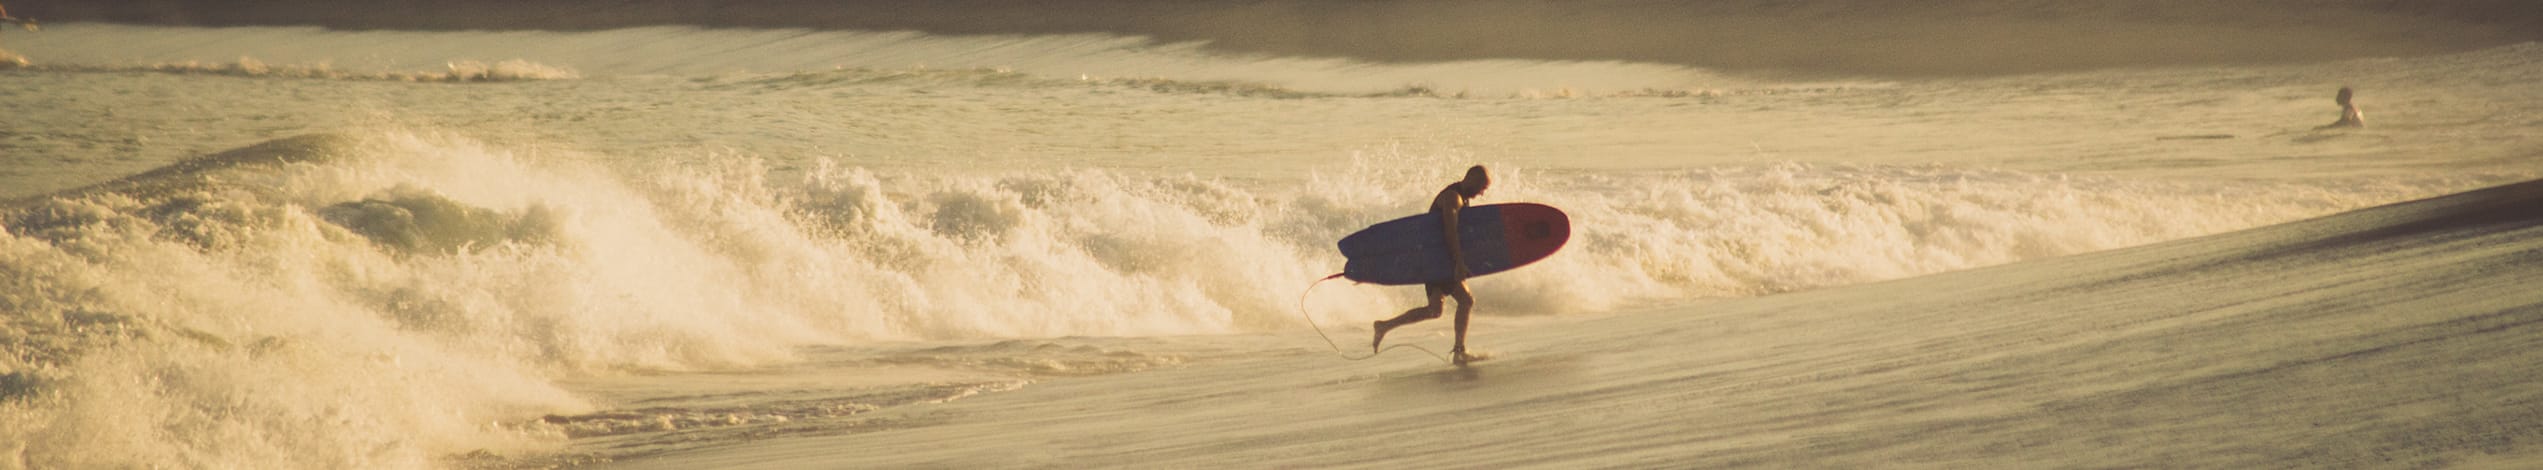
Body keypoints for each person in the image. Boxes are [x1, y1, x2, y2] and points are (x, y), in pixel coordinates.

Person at [1372, 165, 1490, 364]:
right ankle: (1459, 352)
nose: (1482, 192)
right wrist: (1458, 262)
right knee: (1465, 301)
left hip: (1435, 259)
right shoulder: (1453, 198)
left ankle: (1384, 326)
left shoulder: (1461, 197)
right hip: (1440, 261)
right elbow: (1449, 232)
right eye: (1481, 186)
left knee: (1435, 310)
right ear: (1471, 179)